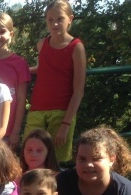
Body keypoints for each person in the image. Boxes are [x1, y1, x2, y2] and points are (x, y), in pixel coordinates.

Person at [25, 0, 86, 163]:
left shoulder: (76, 47)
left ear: (70, 19)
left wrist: (66, 124)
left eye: (60, 19)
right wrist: (20, 71)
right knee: (31, 157)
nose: (55, 24)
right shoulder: (42, 44)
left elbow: (79, 90)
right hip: (37, 109)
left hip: (62, 112)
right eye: (50, 20)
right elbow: (43, 68)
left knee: (55, 162)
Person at [0, 13, 31, 151]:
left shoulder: (19, 63)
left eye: (2, 32)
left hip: (8, 132)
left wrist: (16, 131)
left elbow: (21, 100)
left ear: (11, 34)